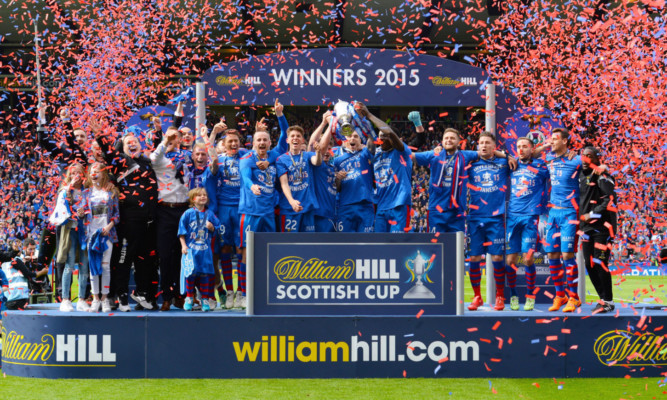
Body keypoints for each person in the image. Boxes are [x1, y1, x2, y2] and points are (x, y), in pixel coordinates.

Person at [92, 120, 159, 312]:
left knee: (145, 260)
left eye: (135, 140)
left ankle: (142, 293)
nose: (132, 143)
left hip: (148, 220)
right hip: (129, 220)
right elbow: (110, 153)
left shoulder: (148, 164)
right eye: (128, 141)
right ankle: (121, 296)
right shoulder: (121, 163)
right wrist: (101, 137)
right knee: (124, 258)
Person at [466, 132, 511, 311]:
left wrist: (506, 155)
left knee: (498, 257)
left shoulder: (503, 164)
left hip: (495, 218)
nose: (483, 146)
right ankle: (477, 296)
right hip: (475, 217)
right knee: (474, 258)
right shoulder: (470, 165)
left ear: (494, 147)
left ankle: (500, 295)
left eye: (487, 143)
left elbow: (525, 158)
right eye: (480, 143)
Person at [505, 137, 549, 311]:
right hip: (512, 216)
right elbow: (495, 154)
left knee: (529, 258)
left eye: (524, 147)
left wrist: (542, 148)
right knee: (510, 260)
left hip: (531, 217)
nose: (521, 149)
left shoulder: (541, 166)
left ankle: (531, 296)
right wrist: (509, 156)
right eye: (518, 147)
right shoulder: (512, 164)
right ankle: (514, 295)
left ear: (532, 149)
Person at [544, 128, 583, 312]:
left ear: (566, 141)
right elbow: (532, 154)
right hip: (553, 213)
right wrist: (548, 144)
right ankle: (560, 295)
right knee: (552, 254)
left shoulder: (577, 159)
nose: (551, 142)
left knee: (567, 255)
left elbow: (598, 164)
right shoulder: (549, 160)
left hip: (569, 213)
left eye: (555, 139)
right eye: (550, 139)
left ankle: (574, 297)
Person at [580, 146, 617, 313]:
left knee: (600, 263)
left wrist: (591, 214)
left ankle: (608, 301)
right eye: (584, 156)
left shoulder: (602, 175)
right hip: (585, 228)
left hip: (603, 227)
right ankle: (602, 299)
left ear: (596, 158)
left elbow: (610, 200)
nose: (586, 159)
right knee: (589, 264)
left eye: (590, 156)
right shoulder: (580, 175)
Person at [365, 105, 413, 233]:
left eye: (385, 136)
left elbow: (389, 133)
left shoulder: (402, 152)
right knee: (380, 246)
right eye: (380, 136)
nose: (381, 139)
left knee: (397, 245)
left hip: (399, 204)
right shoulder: (377, 154)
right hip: (381, 206)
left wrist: (369, 115)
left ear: (393, 138)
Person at [82, 162, 120, 313]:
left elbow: (117, 215)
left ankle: (104, 299)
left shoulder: (111, 192)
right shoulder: (86, 193)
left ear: (103, 174)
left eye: (98, 170)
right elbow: (83, 214)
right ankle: (95, 299)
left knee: (105, 267)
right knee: (93, 268)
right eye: (92, 171)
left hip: (107, 234)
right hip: (91, 234)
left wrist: (109, 226)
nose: (94, 173)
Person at [333, 106, 377, 233]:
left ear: (360, 140)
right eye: (350, 137)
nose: (352, 139)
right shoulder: (338, 160)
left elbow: (372, 143)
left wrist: (365, 124)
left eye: (356, 137)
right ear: (345, 140)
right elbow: (337, 188)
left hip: (365, 204)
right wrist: (338, 179)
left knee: (366, 242)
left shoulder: (365, 153)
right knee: (345, 243)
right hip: (345, 205)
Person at [53, 163, 90, 312]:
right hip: (70, 231)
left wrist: (84, 212)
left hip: (85, 231)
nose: (76, 175)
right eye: (73, 172)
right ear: (69, 174)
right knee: (69, 265)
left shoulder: (87, 191)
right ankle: (66, 300)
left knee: (84, 265)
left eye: (79, 172)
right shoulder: (64, 190)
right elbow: (60, 208)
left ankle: (81, 299)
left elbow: (92, 208)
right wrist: (69, 188)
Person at [178, 188, 220, 312]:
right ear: (192, 199)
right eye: (199, 195)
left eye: (205, 195)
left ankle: (205, 299)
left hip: (205, 251)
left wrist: (212, 227)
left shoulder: (210, 214)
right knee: (190, 274)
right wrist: (183, 246)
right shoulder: (187, 213)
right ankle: (189, 297)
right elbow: (181, 232)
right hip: (191, 251)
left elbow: (218, 228)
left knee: (205, 274)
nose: (203, 197)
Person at [276, 125, 323, 233]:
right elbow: (284, 184)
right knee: (288, 244)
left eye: (298, 136)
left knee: (308, 244)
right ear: (287, 140)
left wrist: (318, 152)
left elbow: (317, 162)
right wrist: (292, 201)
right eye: (292, 136)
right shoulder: (281, 159)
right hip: (289, 209)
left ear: (302, 140)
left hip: (307, 208)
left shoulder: (307, 155)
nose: (295, 138)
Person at [307, 111, 337, 232]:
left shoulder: (333, 167)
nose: (327, 151)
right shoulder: (316, 165)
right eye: (326, 148)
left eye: (330, 149)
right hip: (318, 214)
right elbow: (311, 145)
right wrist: (326, 124)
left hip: (332, 214)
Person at [1, 239, 48, 310]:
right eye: (18, 247)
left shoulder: (5, 262)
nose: (20, 249)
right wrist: (42, 272)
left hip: (9, 297)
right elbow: (29, 274)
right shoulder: (16, 260)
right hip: (18, 297)